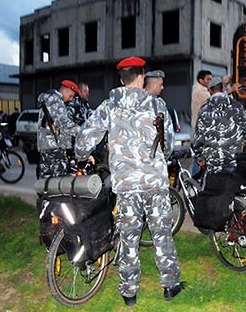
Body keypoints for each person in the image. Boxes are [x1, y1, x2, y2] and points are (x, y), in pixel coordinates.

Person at [75, 56, 184, 306]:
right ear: (141, 77)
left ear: (121, 78)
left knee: (129, 239)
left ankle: (129, 293)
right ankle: (170, 285)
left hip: (126, 185)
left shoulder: (109, 106)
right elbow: (168, 145)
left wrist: (84, 155)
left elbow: (84, 138)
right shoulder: (157, 105)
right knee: (162, 235)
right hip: (154, 183)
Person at [192, 76, 246, 176]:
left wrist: (199, 156)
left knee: (212, 189)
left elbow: (198, 138)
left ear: (210, 91)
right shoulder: (236, 107)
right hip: (234, 160)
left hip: (212, 163)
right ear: (222, 89)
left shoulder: (204, 110)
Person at [37, 80, 80, 177]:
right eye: (71, 96)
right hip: (55, 146)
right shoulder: (55, 100)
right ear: (66, 90)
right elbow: (63, 123)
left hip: (47, 145)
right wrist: (81, 131)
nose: (71, 99)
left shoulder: (48, 99)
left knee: (47, 178)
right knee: (57, 180)